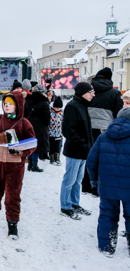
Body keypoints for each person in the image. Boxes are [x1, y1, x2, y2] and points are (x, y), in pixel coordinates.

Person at [0, 91, 36, 240]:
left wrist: (22, 151)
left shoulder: (24, 123)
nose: (6, 107)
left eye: (10, 104)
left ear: (18, 106)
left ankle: (12, 224)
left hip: (15, 165)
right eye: (5, 104)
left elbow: (33, 143)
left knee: (13, 195)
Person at [86, 107, 130, 257]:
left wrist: (94, 181)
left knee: (107, 214)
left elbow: (91, 161)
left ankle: (107, 247)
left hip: (106, 186)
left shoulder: (104, 136)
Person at [85, 67, 124, 197]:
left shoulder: (89, 90)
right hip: (105, 130)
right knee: (103, 159)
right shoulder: (114, 93)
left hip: (88, 128)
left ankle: (85, 185)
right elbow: (118, 113)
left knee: (89, 157)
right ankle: (98, 188)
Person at [60, 82, 95, 220]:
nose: (93, 95)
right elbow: (68, 131)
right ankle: (65, 206)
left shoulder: (83, 105)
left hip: (83, 151)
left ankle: (75, 203)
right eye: (91, 92)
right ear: (82, 93)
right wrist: (83, 144)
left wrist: (89, 146)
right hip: (75, 151)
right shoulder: (72, 106)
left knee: (78, 180)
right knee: (69, 179)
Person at [24, 85, 50, 172]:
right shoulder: (44, 103)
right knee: (36, 146)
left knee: (30, 144)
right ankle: (34, 165)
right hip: (40, 128)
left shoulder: (28, 100)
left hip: (29, 126)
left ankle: (30, 164)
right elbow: (47, 118)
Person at [49, 96, 64, 166]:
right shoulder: (50, 112)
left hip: (59, 133)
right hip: (51, 133)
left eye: (59, 108)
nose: (58, 109)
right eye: (56, 107)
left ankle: (57, 158)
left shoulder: (62, 113)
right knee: (51, 146)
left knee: (58, 146)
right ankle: (51, 158)